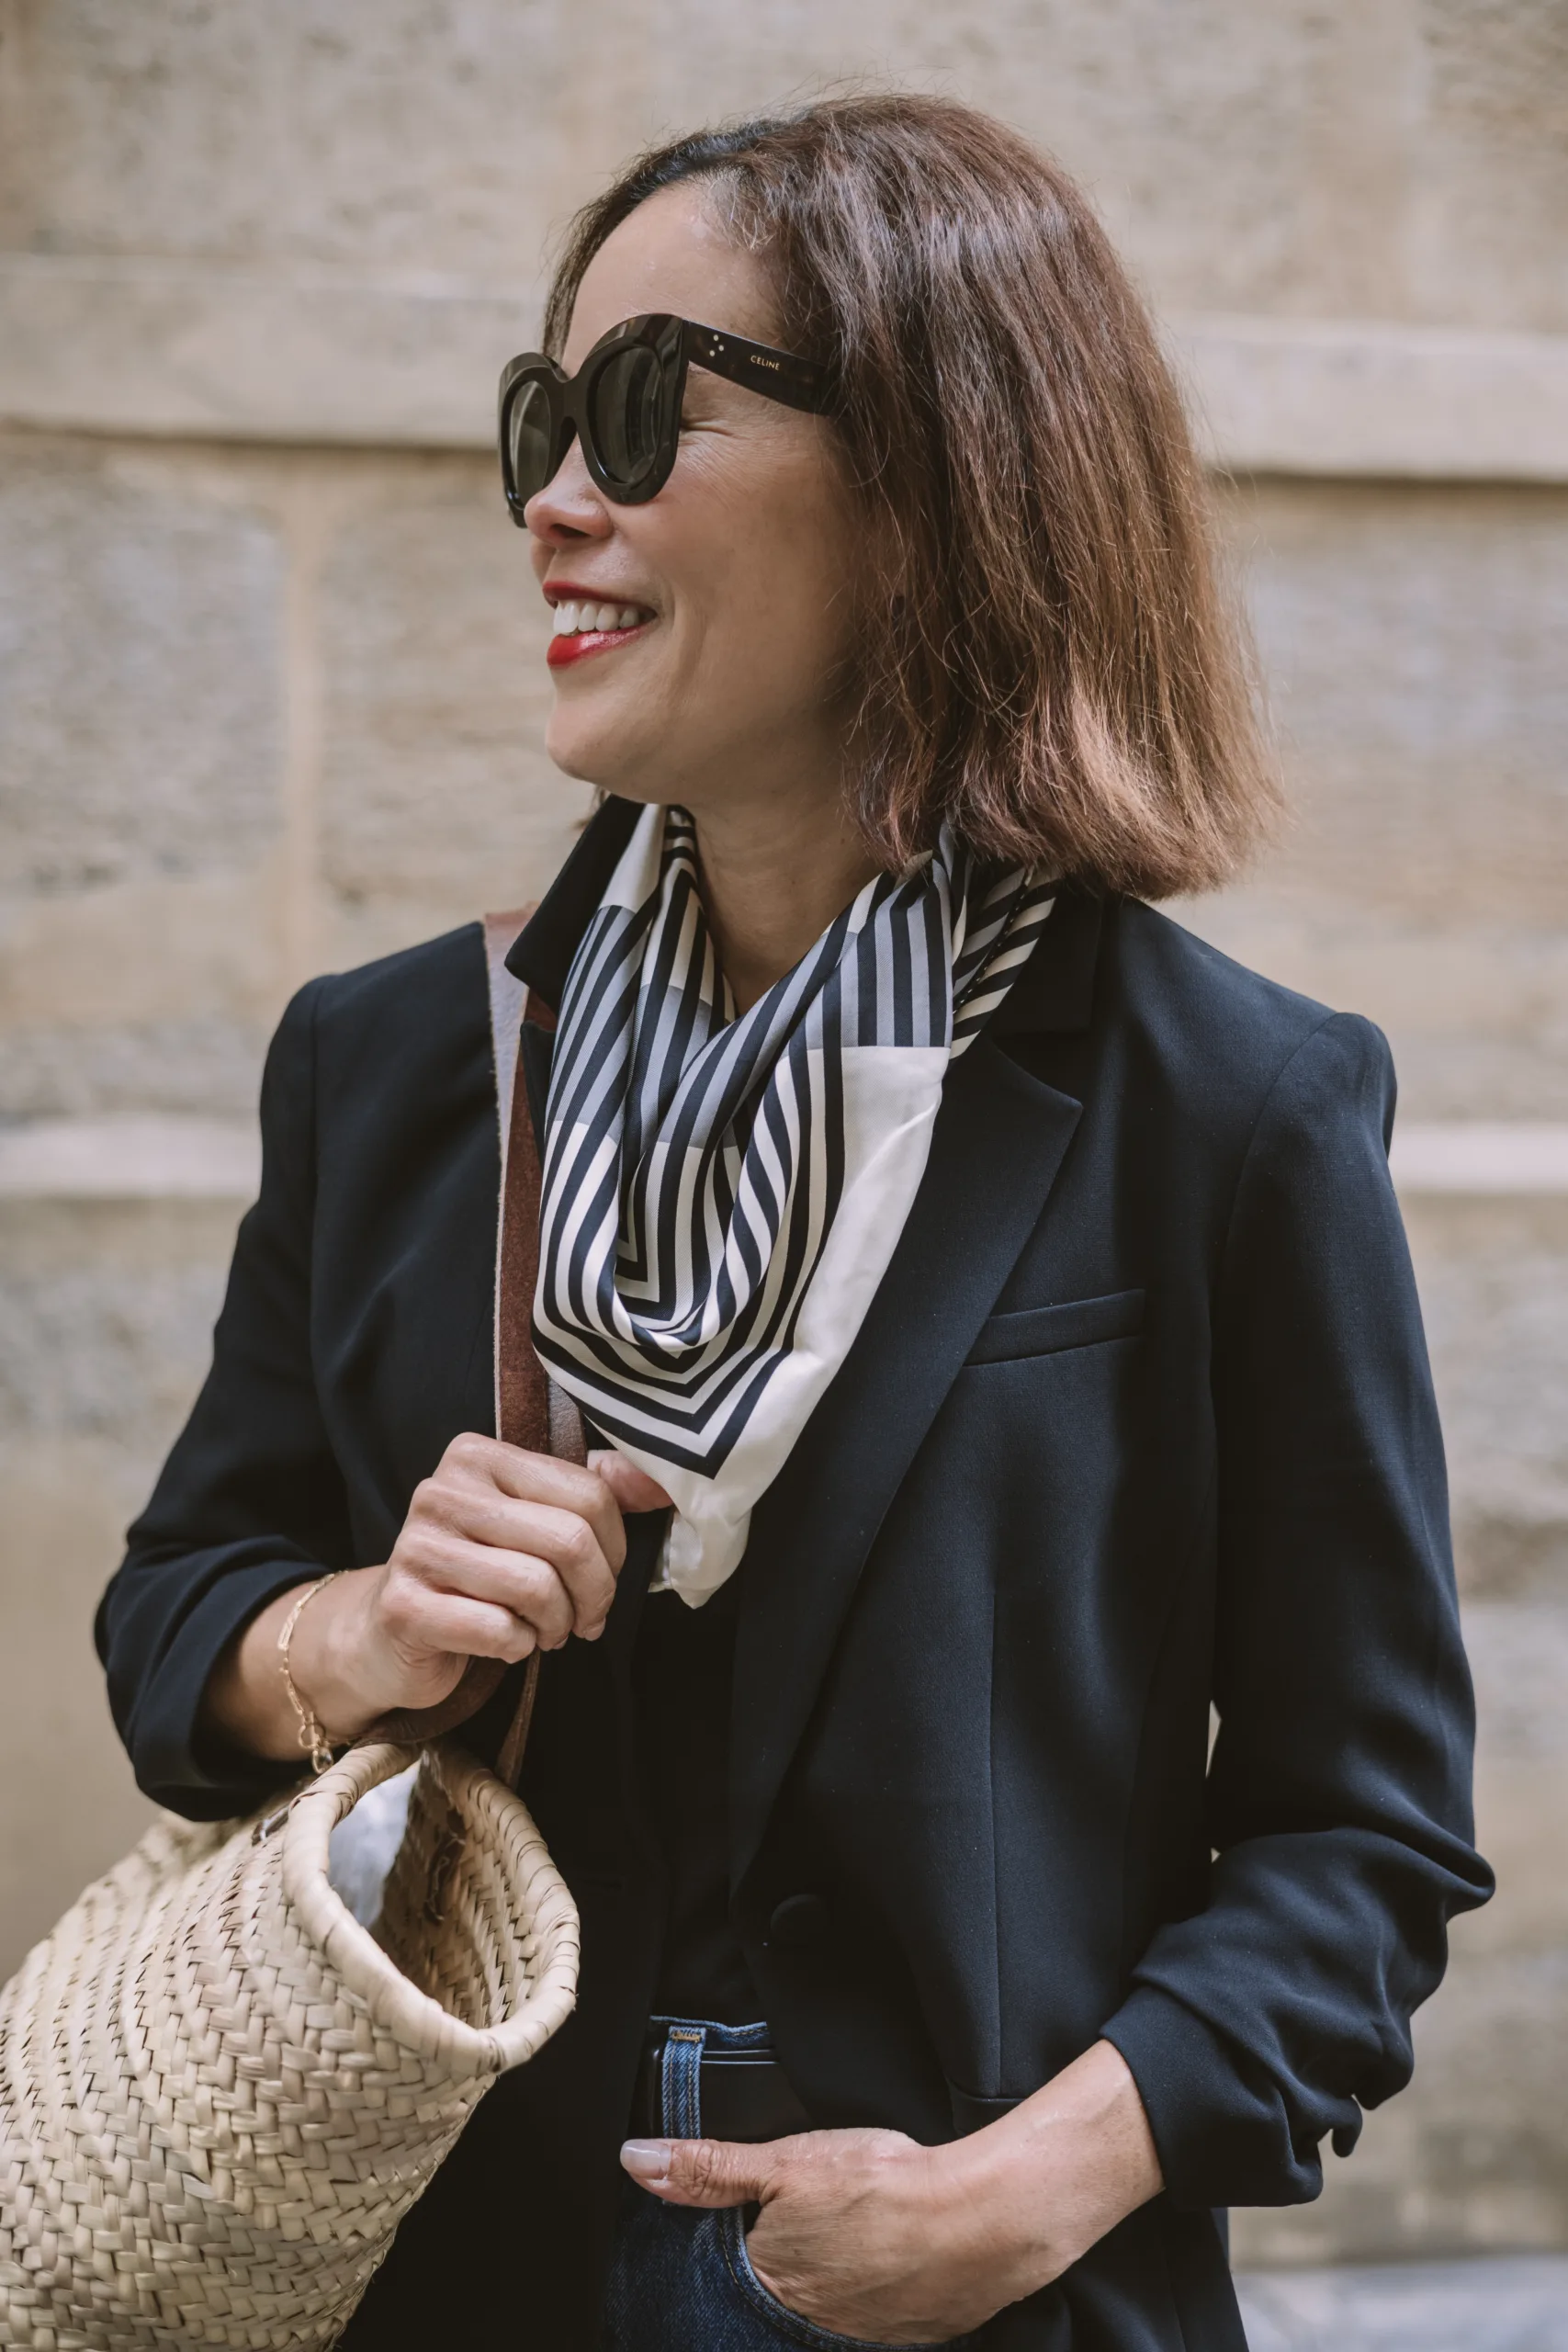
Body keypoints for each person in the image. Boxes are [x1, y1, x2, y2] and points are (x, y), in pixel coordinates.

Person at [96, 95, 1491, 2351]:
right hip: (449, 2275)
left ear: (948, 480)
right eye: (545, 413)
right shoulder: (393, 1064)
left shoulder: (1222, 1105)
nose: (560, 492)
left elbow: (1360, 1840)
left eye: (648, 408)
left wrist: (1021, 2192)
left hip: (968, 2297)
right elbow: (176, 1619)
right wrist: (357, 1625)